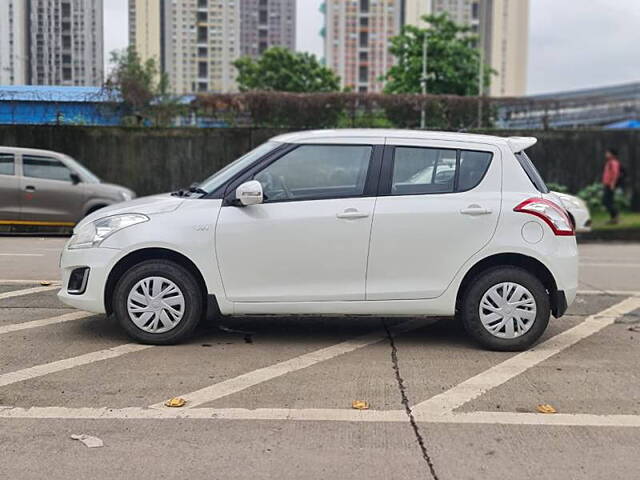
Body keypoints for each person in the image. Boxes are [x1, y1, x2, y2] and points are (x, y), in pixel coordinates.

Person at [602, 148, 621, 224]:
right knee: (608, 201)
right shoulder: (609, 162)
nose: (606, 154)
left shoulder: (614, 162)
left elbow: (615, 174)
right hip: (607, 184)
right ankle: (613, 218)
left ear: (612, 154)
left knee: (607, 201)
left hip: (610, 185)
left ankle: (616, 215)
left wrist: (613, 183)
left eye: (608, 153)